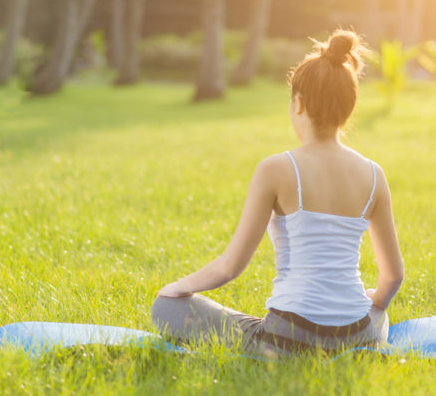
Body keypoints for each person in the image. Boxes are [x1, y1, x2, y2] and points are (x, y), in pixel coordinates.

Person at [151, 30, 404, 357]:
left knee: (165, 308)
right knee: (379, 312)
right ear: (349, 107)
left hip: (287, 341)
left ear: (298, 104)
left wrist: (177, 289)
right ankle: (356, 342)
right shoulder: (374, 174)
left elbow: (230, 267)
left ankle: (274, 348)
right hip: (357, 337)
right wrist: (376, 303)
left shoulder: (276, 169)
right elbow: (393, 275)